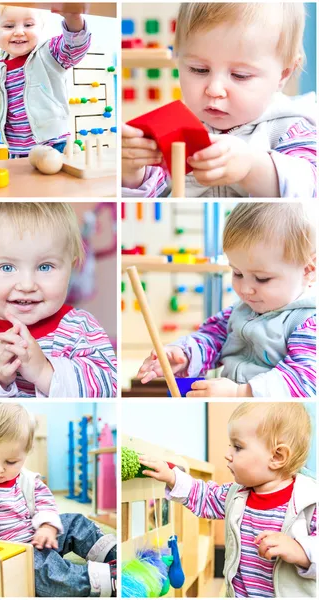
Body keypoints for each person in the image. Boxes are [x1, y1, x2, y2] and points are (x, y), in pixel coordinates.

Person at [0, 202, 117, 397]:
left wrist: (44, 372)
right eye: (7, 267)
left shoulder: (81, 328)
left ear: (70, 269)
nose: (26, 285)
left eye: (45, 267)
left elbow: (108, 388)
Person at [122, 2, 316, 197]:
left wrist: (251, 168)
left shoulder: (292, 128)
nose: (214, 90)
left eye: (240, 75)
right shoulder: (175, 128)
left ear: (283, 74)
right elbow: (153, 197)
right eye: (199, 69)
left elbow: (309, 188)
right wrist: (133, 172)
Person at [137, 202, 316, 397]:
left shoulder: (308, 323)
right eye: (237, 273)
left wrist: (240, 393)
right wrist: (184, 355)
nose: (245, 289)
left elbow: (306, 380)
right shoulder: (241, 310)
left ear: (307, 271)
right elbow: (212, 339)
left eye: (262, 278)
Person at [139, 402, 317, 597]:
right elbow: (204, 495)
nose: (227, 454)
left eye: (238, 447)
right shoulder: (236, 495)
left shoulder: (310, 502)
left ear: (277, 456)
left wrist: (301, 551)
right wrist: (173, 477)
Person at [0, 403, 117, 597]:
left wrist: (47, 526)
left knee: (76, 522)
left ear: (26, 453)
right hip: (12, 554)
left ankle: (113, 554)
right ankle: (105, 581)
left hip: (38, 536)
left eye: (11, 462)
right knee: (49, 574)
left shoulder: (29, 480)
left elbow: (46, 503)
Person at [0, 4, 91, 157]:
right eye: (9, 26)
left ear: (40, 28)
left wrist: (73, 19)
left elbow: (75, 46)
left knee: (55, 181)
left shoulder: (49, 52)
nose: (19, 32)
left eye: (28, 25)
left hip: (52, 143)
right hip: (17, 148)